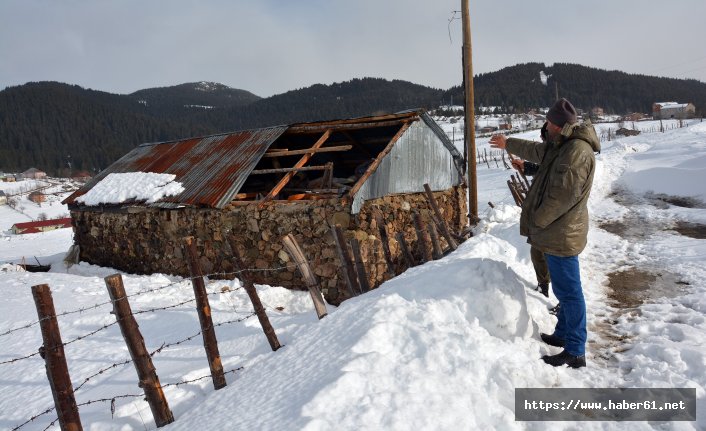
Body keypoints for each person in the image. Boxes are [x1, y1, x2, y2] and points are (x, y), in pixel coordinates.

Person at [490, 98, 600, 368]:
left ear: (560, 125)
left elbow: (560, 198)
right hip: (556, 231)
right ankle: (563, 335)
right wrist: (509, 144)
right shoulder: (562, 144)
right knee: (565, 291)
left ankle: (575, 351)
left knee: (571, 294)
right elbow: (539, 153)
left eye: (549, 123)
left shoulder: (576, 152)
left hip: (560, 232)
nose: (545, 126)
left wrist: (537, 220)